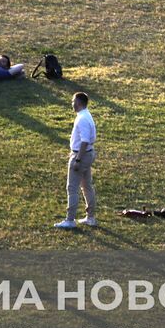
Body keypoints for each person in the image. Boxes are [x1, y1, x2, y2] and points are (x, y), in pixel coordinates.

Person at [55, 92, 97, 229]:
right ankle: (90, 218)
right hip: (88, 154)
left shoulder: (82, 119)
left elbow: (84, 141)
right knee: (86, 186)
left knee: (72, 188)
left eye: (73, 101)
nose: (72, 104)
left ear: (78, 102)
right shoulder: (86, 115)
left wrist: (77, 160)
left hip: (81, 155)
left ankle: (70, 219)